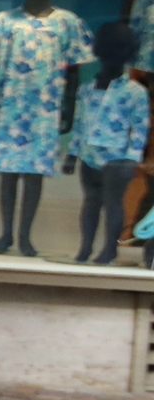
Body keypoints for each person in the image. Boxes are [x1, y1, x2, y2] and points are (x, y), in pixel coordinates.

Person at [0, 0, 91, 258]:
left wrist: (69, 107)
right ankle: (6, 233)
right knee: (9, 172)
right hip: (9, 105)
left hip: (44, 110)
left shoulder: (68, 23)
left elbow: (74, 68)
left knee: (35, 173)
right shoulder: (4, 21)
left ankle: (25, 235)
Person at [69, 22, 148, 263]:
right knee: (91, 202)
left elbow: (141, 127)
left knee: (113, 204)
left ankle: (109, 249)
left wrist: (131, 158)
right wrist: (72, 154)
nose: (112, 59)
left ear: (128, 55)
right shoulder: (86, 89)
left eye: (120, 53)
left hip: (117, 158)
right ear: (99, 53)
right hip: (89, 155)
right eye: (108, 53)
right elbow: (79, 122)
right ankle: (85, 247)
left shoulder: (135, 92)